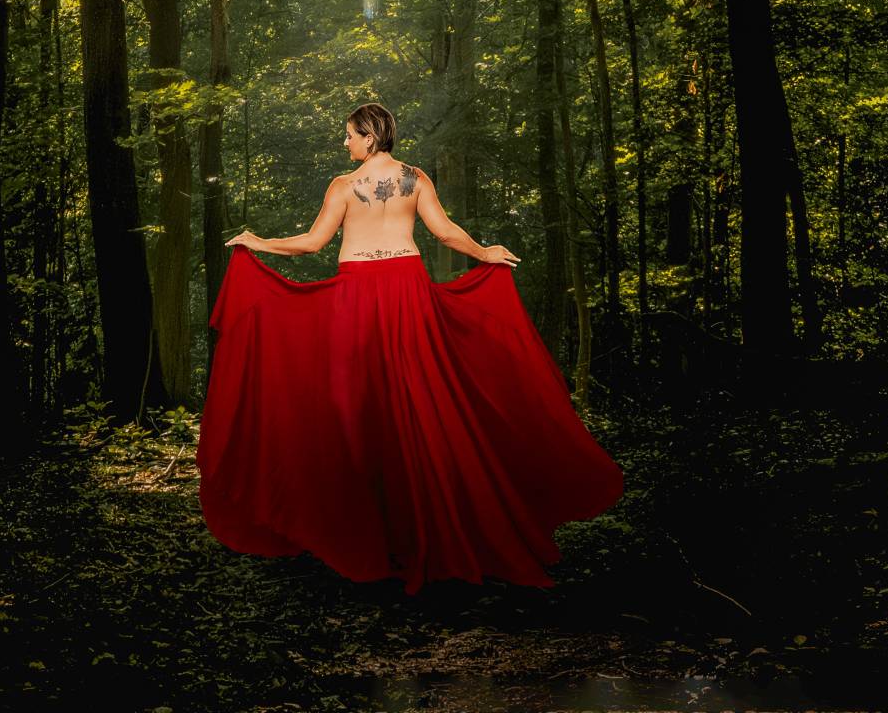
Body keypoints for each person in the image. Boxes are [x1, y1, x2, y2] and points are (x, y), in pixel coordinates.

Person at [195, 99, 623, 593]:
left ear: (370, 136)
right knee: (420, 400)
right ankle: (420, 526)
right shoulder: (415, 178)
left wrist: (258, 242)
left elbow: (313, 243)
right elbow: (443, 232)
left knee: (359, 406)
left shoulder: (343, 186)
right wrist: (485, 252)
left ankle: (376, 531)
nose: (346, 142)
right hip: (406, 287)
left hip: (359, 292)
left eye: (351, 135)